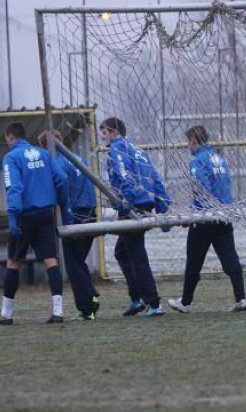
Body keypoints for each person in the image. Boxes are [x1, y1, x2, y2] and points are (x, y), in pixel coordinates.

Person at [167, 125, 246, 314]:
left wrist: (194, 213)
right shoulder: (220, 158)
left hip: (206, 218)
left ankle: (185, 302)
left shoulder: (198, 161)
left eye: (188, 142)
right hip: (223, 215)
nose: (188, 146)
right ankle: (241, 298)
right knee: (230, 259)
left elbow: (202, 191)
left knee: (194, 260)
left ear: (194, 140)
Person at [100, 117, 170, 317]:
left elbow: (123, 178)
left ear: (114, 132)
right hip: (146, 203)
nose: (103, 137)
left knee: (137, 255)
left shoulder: (117, 149)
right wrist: (162, 206)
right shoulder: (139, 151)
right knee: (122, 252)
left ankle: (153, 303)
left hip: (133, 205)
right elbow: (155, 179)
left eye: (104, 133)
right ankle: (136, 299)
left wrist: (127, 203)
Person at [1, 122, 71, 324]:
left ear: (10, 137)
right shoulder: (44, 154)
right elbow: (62, 179)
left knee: (14, 262)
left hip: (24, 215)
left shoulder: (11, 157)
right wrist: (63, 205)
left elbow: (14, 187)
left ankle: (6, 314)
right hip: (46, 213)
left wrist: (13, 216)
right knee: (51, 260)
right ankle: (58, 311)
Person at [39, 131, 101, 321]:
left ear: (45, 146)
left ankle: (88, 305)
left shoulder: (56, 162)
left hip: (75, 214)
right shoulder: (77, 158)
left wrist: (65, 213)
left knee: (73, 264)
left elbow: (62, 186)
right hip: (91, 212)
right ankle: (90, 298)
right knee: (78, 260)